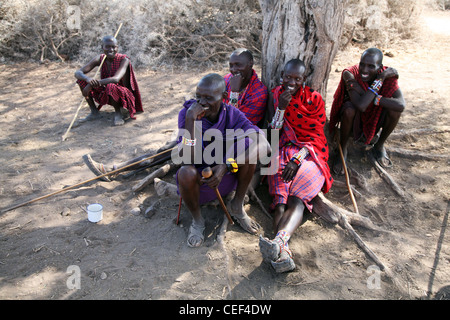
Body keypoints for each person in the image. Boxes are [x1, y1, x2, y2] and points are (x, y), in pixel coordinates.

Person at [176, 73, 271, 247]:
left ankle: (237, 205)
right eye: (198, 97)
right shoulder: (187, 114)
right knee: (184, 172)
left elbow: (266, 147)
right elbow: (185, 159)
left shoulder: (231, 114)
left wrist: (227, 165)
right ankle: (197, 220)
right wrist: (190, 121)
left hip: (226, 177)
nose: (201, 103)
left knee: (250, 146)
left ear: (224, 97)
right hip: (200, 183)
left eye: (208, 98)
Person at [259, 59, 333, 273]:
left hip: (309, 153)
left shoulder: (314, 99)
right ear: (282, 76)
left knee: (297, 199)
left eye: (297, 79)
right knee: (279, 201)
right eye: (288, 77)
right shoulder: (275, 95)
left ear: (303, 80)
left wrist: (298, 158)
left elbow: (317, 136)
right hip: (282, 149)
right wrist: (281, 108)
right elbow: (273, 134)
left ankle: (279, 242)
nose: (291, 82)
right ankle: (283, 252)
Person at [329, 48, 405, 174]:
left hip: (376, 117)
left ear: (379, 67)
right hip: (353, 121)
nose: (364, 70)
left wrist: (374, 96)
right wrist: (379, 81)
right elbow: (361, 105)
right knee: (349, 109)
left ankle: (379, 146)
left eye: (371, 66)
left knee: (394, 111)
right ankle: (342, 149)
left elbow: (401, 105)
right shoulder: (350, 73)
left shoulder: (387, 76)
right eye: (362, 64)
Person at [75, 35, 143, 126]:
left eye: (113, 47)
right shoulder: (100, 58)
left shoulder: (124, 59)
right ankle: (94, 112)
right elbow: (78, 73)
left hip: (123, 94)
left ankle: (118, 113)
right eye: (107, 46)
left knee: (111, 85)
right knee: (81, 81)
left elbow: (116, 79)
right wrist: (88, 79)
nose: (111, 50)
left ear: (117, 48)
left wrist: (91, 85)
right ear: (102, 47)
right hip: (106, 91)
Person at [224, 48, 268, 127]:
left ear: (250, 64)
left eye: (238, 65)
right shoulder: (227, 80)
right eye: (231, 66)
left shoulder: (259, 93)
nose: (233, 70)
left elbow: (235, 123)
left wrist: (234, 93)